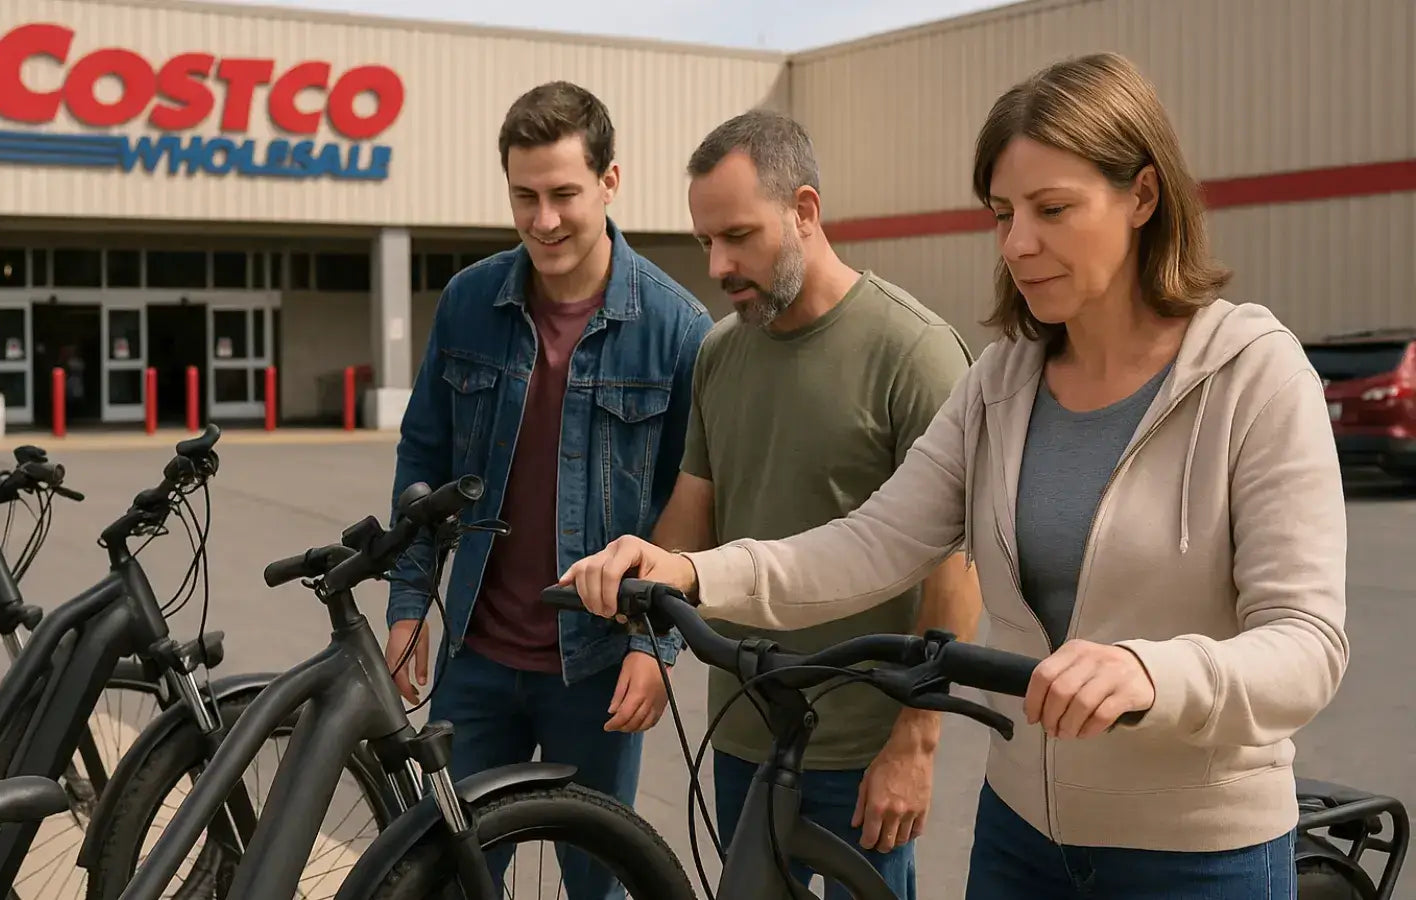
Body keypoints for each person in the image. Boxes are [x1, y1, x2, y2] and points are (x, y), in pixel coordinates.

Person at [560, 51, 1347, 900]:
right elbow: (869, 544)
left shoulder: (1253, 377)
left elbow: (1307, 645)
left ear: (1144, 197)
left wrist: (1158, 673)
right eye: (1003, 213)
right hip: (1020, 839)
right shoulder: (1002, 383)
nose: (1016, 244)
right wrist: (686, 570)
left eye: (1052, 210)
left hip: (1199, 857)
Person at [385, 79, 712, 897]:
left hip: (598, 667)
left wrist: (655, 644)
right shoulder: (469, 302)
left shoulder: (678, 330)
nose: (543, 220)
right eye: (523, 196)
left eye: (564, 193)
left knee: (596, 883)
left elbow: (693, 507)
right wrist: (406, 603)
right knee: (449, 878)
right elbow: (423, 455)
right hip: (477, 662)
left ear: (610, 181)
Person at [648, 108, 983, 900]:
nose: (719, 265)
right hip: (740, 727)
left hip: (863, 748)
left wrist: (917, 742)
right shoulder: (719, 353)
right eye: (706, 244)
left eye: (738, 235)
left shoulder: (915, 352)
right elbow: (692, 519)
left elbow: (954, 570)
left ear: (804, 211)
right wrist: (634, 588)